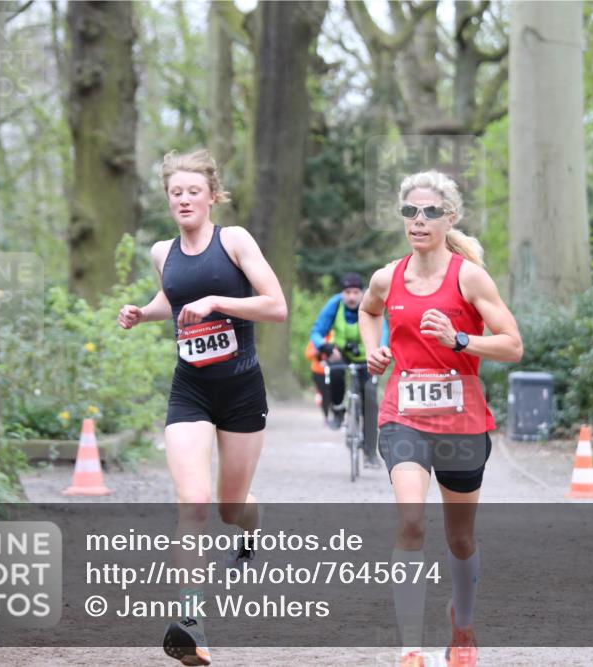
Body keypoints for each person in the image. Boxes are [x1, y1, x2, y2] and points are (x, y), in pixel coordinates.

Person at [118, 149, 287, 666]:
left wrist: (218, 303)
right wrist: (142, 313)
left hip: (241, 390)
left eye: (193, 191)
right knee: (192, 502)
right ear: (168, 200)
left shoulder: (234, 241)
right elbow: (173, 298)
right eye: (176, 192)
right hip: (189, 389)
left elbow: (275, 306)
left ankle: (252, 529)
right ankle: (191, 623)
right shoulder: (161, 251)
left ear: (212, 196)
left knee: (229, 507)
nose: (184, 199)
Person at [358, 171, 523, 667]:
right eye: (410, 212)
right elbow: (369, 311)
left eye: (430, 211)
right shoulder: (388, 277)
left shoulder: (469, 277)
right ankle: (410, 646)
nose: (419, 220)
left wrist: (461, 340)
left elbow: (513, 345)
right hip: (404, 416)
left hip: (463, 422)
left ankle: (463, 625)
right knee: (410, 521)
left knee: (459, 536)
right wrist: (374, 350)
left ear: (450, 217)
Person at [309, 272, 388, 467]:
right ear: (342, 293)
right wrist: (324, 346)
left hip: (367, 356)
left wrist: (381, 352)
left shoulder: (372, 304)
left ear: (362, 292)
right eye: (347, 292)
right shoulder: (335, 304)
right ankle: (337, 409)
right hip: (341, 353)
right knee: (334, 370)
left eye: (355, 292)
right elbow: (317, 332)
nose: (351, 297)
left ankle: (370, 452)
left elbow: (383, 332)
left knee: (369, 399)